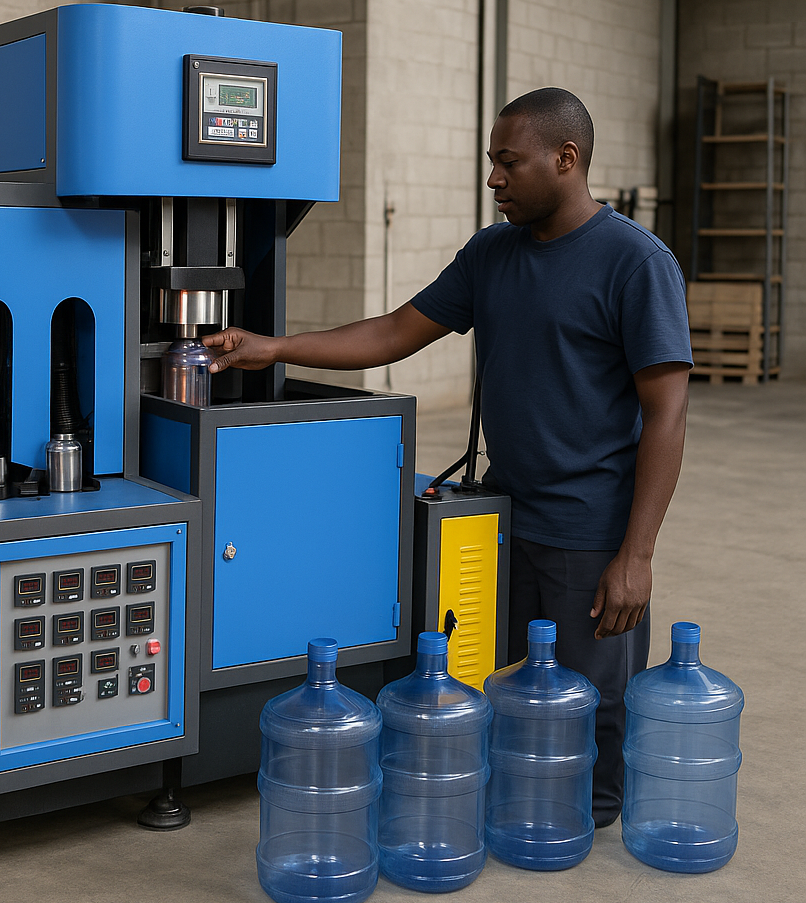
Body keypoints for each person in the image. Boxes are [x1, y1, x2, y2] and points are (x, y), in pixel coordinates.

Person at [203, 88, 693, 828]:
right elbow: (398, 330)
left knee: (591, 714)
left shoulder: (635, 263)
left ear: (567, 160)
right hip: (502, 516)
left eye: (508, 162)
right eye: (491, 163)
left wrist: (638, 554)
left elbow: (668, 414)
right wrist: (276, 347)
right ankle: (520, 811)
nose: (493, 179)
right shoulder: (492, 254)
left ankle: (569, 836)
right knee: (509, 691)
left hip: (589, 531)